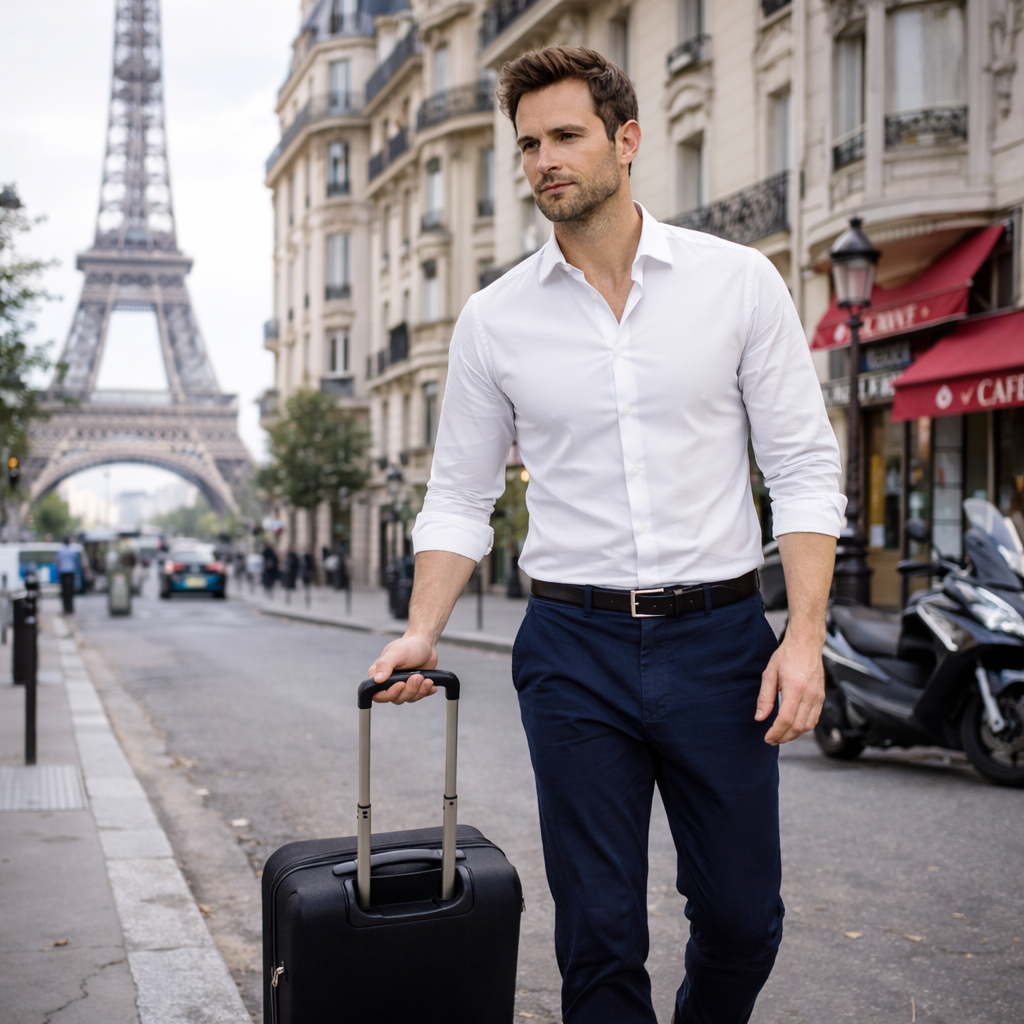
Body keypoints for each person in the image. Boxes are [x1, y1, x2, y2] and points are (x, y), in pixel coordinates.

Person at [368, 47, 846, 1024]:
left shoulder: (738, 283)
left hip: (720, 647)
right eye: (529, 143)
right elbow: (461, 494)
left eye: (565, 135)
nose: (544, 158)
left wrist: (803, 637)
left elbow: (800, 464)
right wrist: (423, 627)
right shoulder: (493, 320)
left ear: (626, 142)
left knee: (743, 919)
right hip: (571, 649)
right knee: (597, 933)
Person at [55, 537, 78, 614]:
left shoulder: (60, 550)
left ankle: (65, 609)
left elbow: (57, 561)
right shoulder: (72, 550)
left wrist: (59, 570)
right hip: (71, 572)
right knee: (70, 592)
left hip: (63, 573)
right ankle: (70, 608)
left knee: (64, 592)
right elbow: (76, 560)